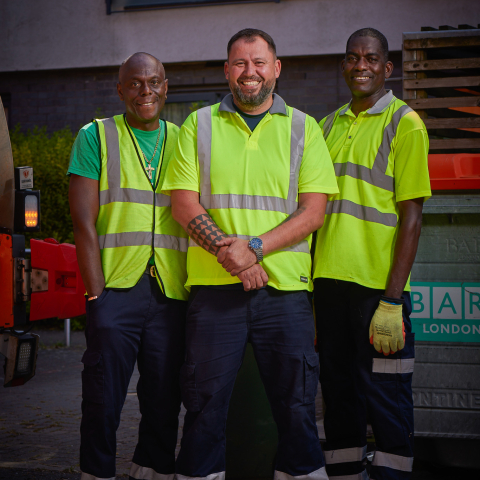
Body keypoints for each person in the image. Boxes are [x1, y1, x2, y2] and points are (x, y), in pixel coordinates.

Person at [162, 28, 338, 480]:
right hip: (214, 294)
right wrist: (234, 256)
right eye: (240, 63)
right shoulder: (197, 125)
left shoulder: (304, 127)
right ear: (227, 70)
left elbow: (314, 211)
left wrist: (255, 249)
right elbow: (183, 204)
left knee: (297, 409)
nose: (250, 72)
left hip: (285, 294)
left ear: (276, 68)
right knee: (203, 409)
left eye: (259, 62)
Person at [313, 28, 431, 480]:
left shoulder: (405, 123)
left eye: (371, 58)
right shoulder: (327, 125)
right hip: (328, 286)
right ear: (344, 64)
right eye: (352, 57)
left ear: (387, 67)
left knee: (386, 397)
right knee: (339, 396)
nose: (360, 65)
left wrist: (392, 300)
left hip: (376, 292)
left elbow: (412, 217)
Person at [68, 52, 188, 480]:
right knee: (103, 395)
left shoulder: (184, 137)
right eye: (135, 84)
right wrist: (96, 294)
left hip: (171, 291)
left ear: (166, 86)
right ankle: (97, 472)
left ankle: (151, 468)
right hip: (116, 289)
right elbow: (82, 222)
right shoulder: (96, 136)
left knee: (164, 395)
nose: (145, 91)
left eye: (153, 82)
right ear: (120, 90)